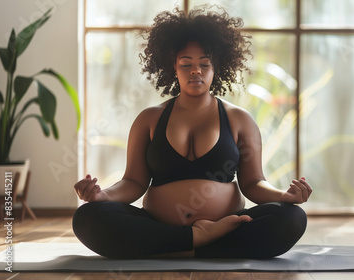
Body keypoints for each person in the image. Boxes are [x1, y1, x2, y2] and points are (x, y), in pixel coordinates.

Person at [72, 6, 312, 259]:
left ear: (216, 68)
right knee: (88, 218)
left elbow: (253, 184)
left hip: (223, 222)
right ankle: (204, 241)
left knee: (291, 217)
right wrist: (102, 195)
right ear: (173, 67)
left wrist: (284, 196)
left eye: (204, 64)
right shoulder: (149, 119)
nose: (195, 70)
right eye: (186, 64)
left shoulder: (239, 119)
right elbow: (133, 182)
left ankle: (175, 247)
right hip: (161, 224)